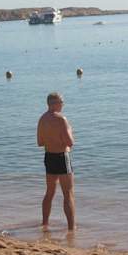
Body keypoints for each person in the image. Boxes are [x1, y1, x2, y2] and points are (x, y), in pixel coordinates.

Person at [37, 92, 75, 231]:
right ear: (54, 103)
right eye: (61, 102)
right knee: (68, 193)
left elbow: (40, 142)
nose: (63, 104)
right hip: (62, 156)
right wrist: (69, 130)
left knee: (50, 192)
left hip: (49, 157)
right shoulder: (61, 119)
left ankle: (44, 223)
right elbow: (70, 143)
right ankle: (72, 227)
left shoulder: (42, 119)